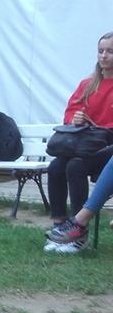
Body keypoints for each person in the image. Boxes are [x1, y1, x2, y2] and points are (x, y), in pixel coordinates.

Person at [44, 32, 113, 252]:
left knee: (75, 166)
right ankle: (59, 226)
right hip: (86, 142)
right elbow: (70, 113)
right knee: (55, 167)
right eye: (101, 51)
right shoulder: (88, 84)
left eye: (110, 51)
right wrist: (75, 118)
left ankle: (78, 233)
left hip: (107, 146)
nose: (104, 56)